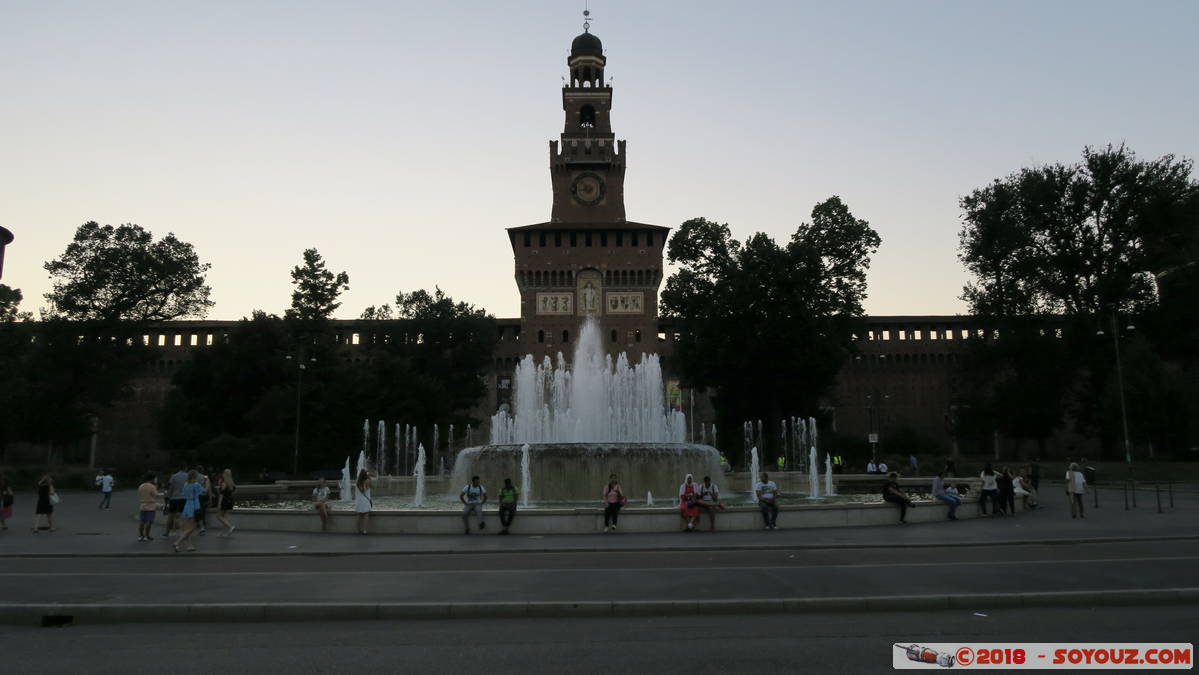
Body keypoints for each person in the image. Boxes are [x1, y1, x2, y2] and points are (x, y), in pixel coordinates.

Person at [173, 470, 205, 552]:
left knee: (187, 528)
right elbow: (202, 492)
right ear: (195, 477)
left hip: (187, 505)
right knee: (192, 527)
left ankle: (190, 546)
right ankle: (177, 542)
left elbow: (183, 494)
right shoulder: (196, 484)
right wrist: (207, 483)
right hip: (194, 505)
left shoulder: (186, 484)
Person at [161, 464, 189, 538]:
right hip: (184, 498)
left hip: (174, 498)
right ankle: (183, 532)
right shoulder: (188, 476)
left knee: (171, 515)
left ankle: (166, 532)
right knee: (182, 516)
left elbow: (171, 488)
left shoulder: (174, 476)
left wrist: (167, 497)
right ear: (186, 468)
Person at [137, 473, 160, 542]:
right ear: (152, 479)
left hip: (142, 505)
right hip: (150, 506)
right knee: (149, 522)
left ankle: (141, 536)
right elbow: (156, 495)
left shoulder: (141, 486)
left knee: (142, 522)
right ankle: (147, 536)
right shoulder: (152, 486)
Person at [216, 469, 236, 537]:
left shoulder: (224, 482)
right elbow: (233, 491)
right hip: (230, 501)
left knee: (218, 516)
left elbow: (221, 494)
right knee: (224, 517)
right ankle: (222, 533)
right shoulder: (231, 482)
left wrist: (219, 504)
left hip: (224, 501)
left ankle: (230, 526)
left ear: (224, 474)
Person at [355, 470, 373, 534]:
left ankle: (358, 530)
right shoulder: (367, 481)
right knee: (366, 515)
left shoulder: (357, 482)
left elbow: (361, 490)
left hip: (359, 501)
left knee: (359, 515)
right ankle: (364, 530)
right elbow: (371, 486)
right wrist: (369, 477)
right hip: (365, 500)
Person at [193, 466, 210, 535]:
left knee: (196, 510)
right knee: (202, 509)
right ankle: (202, 525)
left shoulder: (194, 478)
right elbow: (207, 489)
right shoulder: (205, 477)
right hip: (203, 496)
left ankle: (198, 525)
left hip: (195, 496)